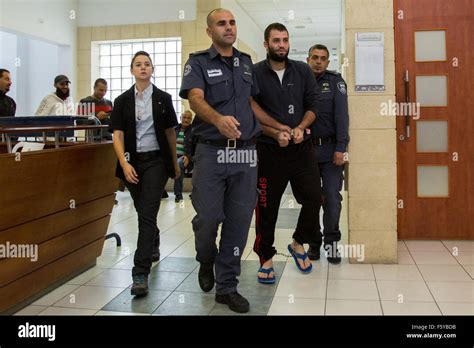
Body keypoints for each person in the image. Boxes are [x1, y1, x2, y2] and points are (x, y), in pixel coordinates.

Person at [179, 8, 282, 313]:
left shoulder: (247, 63)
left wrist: (278, 128)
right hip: (211, 151)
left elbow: (252, 105)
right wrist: (218, 119)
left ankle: (227, 286)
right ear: (210, 31)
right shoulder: (198, 62)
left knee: (238, 223)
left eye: (232, 22)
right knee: (208, 219)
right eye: (221, 23)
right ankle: (205, 257)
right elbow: (195, 98)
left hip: (245, 153)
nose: (229, 27)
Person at [251, 23, 322, 283]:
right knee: (267, 208)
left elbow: (313, 105)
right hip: (269, 151)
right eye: (276, 40)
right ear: (266, 44)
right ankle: (265, 257)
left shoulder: (302, 70)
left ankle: (298, 242)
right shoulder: (255, 73)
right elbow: (250, 112)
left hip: (301, 149)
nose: (281, 44)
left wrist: (301, 127)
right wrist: (274, 133)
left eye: (285, 40)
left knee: (314, 198)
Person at [110, 51, 180, 297]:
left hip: (156, 162)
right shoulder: (121, 101)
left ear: (152, 70)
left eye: (147, 64)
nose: (143, 68)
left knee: (147, 213)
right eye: (138, 65)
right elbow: (117, 135)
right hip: (132, 162)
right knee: (144, 212)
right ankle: (154, 241)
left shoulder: (163, 98)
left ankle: (140, 272)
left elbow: (171, 133)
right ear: (131, 70)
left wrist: (174, 162)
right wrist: (124, 163)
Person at [306, 44, 349, 264]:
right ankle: (314, 243)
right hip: (306, 152)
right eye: (315, 57)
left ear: (328, 62)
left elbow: (342, 117)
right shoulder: (300, 81)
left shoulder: (336, 83)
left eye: (323, 58)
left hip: (332, 152)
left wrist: (342, 148)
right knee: (311, 200)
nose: (318, 61)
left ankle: (331, 243)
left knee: (332, 198)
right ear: (308, 59)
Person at [173, 110, 194, 203]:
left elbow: (196, 148)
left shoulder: (194, 131)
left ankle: (178, 194)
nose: (186, 120)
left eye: (188, 118)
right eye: (184, 117)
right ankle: (160, 193)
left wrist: (188, 157)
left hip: (185, 158)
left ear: (191, 120)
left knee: (178, 164)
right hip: (172, 157)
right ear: (180, 118)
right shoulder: (174, 129)